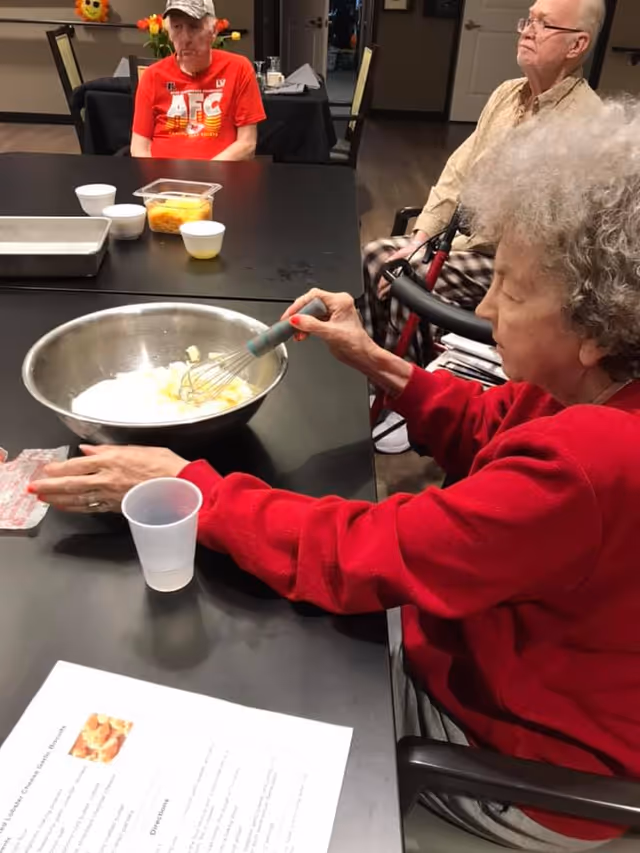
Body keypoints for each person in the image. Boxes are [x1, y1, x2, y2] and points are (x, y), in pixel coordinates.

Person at [30, 102, 640, 850]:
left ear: (596, 326)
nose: (484, 304)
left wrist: (191, 485)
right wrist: (375, 359)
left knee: (247, 688)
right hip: (500, 656)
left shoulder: (586, 468)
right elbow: (491, 424)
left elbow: (363, 555)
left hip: (528, 759)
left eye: (510, 290)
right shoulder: (593, 390)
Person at [361, 0, 605, 373]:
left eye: (544, 24)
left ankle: (408, 386)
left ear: (577, 44)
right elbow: (458, 172)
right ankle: (375, 370)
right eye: (529, 20)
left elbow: (541, 238)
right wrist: (420, 238)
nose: (528, 30)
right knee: (376, 257)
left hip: (523, 267)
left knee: (412, 280)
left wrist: (426, 254)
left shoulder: (585, 123)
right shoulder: (506, 94)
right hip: (465, 243)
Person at [131, 0, 266, 161]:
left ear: (213, 31)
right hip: (163, 175)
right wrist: (158, 175)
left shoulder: (239, 69)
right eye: (177, 27)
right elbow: (139, 148)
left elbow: (247, 143)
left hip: (221, 173)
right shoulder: (152, 76)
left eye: (194, 27)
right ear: (169, 34)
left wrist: (206, 172)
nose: (185, 38)